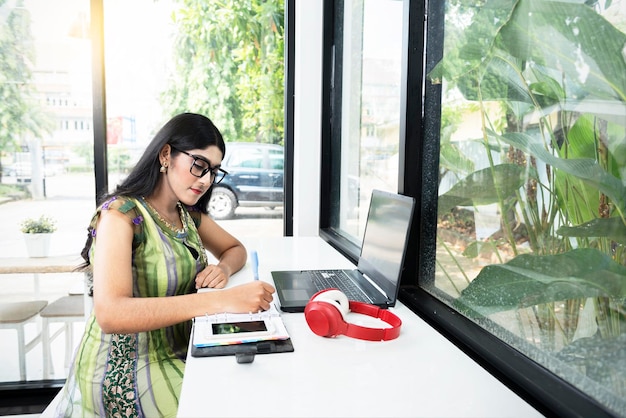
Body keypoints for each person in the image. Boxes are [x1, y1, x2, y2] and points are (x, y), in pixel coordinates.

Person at [55, 113, 275, 417]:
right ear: (166, 154)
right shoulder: (121, 215)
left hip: (180, 350)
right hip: (126, 370)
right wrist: (220, 300)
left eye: (213, 171)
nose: (206, 180)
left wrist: (222, 269)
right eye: (199, 165)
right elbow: (110, 313)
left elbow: (234, 248)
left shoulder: (187, 215)